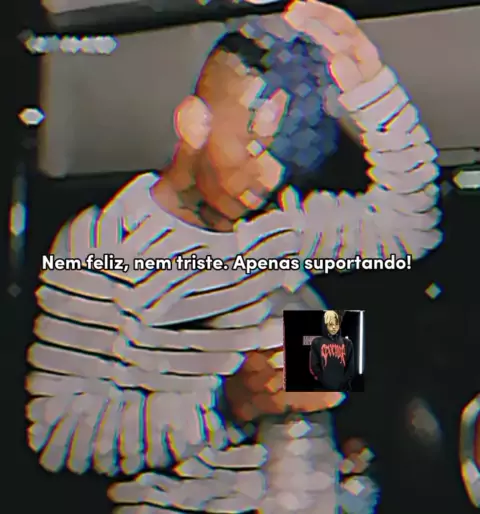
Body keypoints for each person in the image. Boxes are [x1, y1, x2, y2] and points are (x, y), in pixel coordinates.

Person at [25, 1, 441, 512]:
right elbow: (60, 436)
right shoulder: (100, 244)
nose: (270, 178)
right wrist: (226, 405)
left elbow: (412, 228)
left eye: (285, 158)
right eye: (256, 145)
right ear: (193, 122)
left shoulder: (281, 224)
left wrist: (368, 80)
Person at [310, 310, 355, 391]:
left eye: (336, 324)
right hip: (323, 389)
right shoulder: (317, 342)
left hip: (343, 389)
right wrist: (325, 381)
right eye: (331, 324)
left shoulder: (347, 343)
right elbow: (314, 365)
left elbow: (350, 368)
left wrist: (342, 383)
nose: (334, 327)